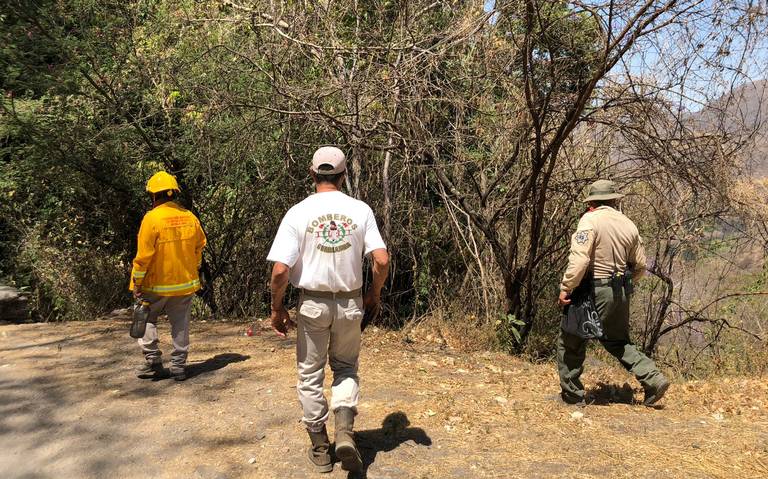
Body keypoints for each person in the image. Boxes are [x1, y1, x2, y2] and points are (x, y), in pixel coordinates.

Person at [267, 146, 389, 474]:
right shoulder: (360, 210)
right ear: (343, 175)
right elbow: (381, 259)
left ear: (312, 174)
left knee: (310, 373)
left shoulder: (298, 212)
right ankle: (345, 431)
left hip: (312, 303)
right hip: (350, 302)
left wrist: (277, 308)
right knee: (346, 367)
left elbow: (280, 271)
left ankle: (321, 448)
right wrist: (373, 295)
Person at [557, 179, 670, 406]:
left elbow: (580, 260)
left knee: (571, 339)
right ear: (614, 200)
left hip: (592, 288)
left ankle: (572, 396)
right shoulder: (629, 224)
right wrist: (625, 285)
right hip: (621, 290)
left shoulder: (590, 220)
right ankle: (654, 379)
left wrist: (567, 287)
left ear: (592, 202)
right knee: (618, 341)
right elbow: (640, 265)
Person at [130, 171, 206, 381]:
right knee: (180, 323)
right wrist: (194, 268)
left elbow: (143, 256)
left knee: (146, 319)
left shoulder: (152, 219)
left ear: (154, 196)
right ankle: (179, 366)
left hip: (155, 285)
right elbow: (200, 246)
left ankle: (153, 361)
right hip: (184, 283)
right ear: (174, 194)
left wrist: (137, 282)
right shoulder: (189, 217)